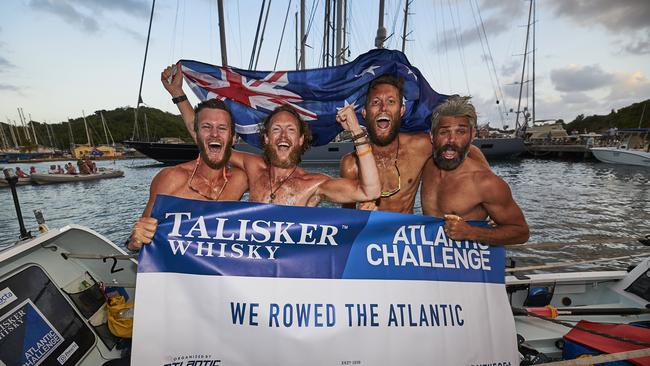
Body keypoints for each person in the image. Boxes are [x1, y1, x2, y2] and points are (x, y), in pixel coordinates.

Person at [160, 63, 381, 207]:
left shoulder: (313, 184)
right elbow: (208, 139)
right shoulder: (254, 169)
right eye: (276, 129)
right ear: (266, 138)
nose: (283, 136)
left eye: (291, 130)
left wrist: (357, 133)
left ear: (301, 139)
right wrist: (179, 94)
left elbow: (370, 189)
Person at [340, 75, 488, 213]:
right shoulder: (351, 164)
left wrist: (491, 197)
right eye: (376, 102)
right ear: (365, 113)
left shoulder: (419, 147)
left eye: (391, 101)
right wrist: (360, 215)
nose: (383, 108)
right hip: (372, 238)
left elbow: (466, 149)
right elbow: (347, 218)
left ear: (401, 110)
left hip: (408, 236)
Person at [128, 99, 249, 251]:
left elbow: (278, 173)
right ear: (196, 135)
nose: (214, 134)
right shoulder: (171, 178)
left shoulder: (240, 180)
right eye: (206, 127)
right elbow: (137, 238)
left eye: (222, 128)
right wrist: (136, 239)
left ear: (233, 137)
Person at [421, 96, 529, 245]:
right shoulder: (426, 164)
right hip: (428, 258)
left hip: (465, 262)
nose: (451, 139)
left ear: (472, 135)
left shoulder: (486, 183)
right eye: (444, 132)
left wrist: (471, 233)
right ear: (432, 136)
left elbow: (521, 232)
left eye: (461, 132)